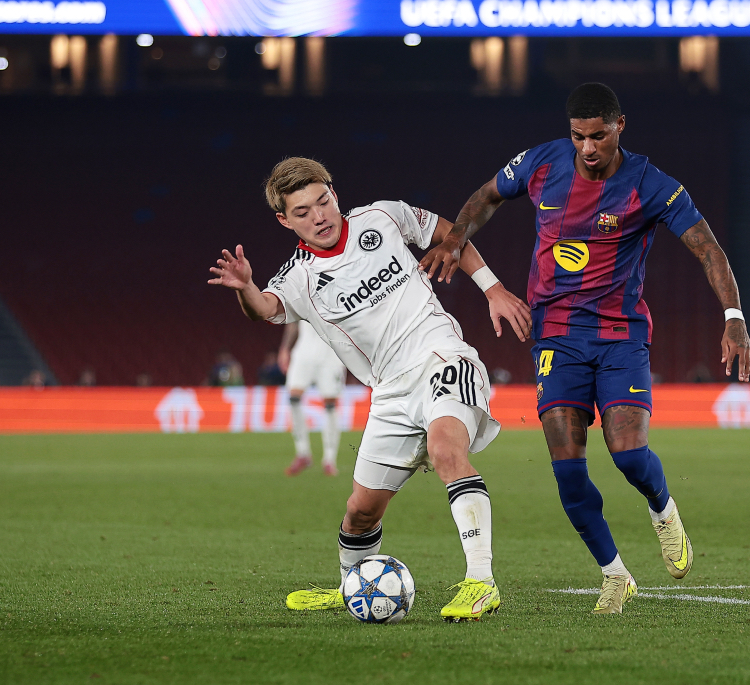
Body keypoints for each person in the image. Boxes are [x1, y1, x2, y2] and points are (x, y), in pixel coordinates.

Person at [420, 83, 750, 614]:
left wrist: (733, 318)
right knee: (568, 470)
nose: (589, 148)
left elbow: (707, 248)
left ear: (621, 126)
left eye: (599, 136)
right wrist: (456, 237)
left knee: (628, 453)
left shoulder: (651, 184)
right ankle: (615, 574)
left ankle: (663, 510)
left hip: (620, 334)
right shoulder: (541, 163)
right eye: (579, 136)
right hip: (554, 335)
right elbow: (485, 197)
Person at [208, 157, 531, 621]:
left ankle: (481, 581)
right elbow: (263, 308)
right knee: (360, 512)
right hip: (391, 394)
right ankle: (350, 586)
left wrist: (492, 288)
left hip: (441, 357)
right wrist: (245, 287)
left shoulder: (382, 217)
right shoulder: (299, 278)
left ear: (334, 194)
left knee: (446, 452)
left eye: (323, 201)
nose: (318, 216)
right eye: (302, 212)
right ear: (283, 220)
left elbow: (449, 232)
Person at [278, 321, 347, 476]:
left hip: (331, 353)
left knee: (330, 404)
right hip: (304, 351)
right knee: (293, 398)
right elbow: (293, 321)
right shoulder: (300, 295)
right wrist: (285, 348)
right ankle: (303, 453)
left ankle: (329, 459)